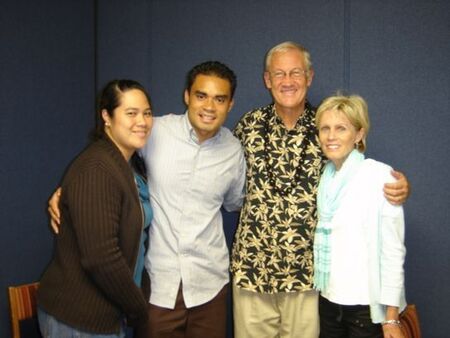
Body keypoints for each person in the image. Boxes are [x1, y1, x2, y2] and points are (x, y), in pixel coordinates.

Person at [48, 61, 246, 338]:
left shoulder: (234, 150)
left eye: (219, 99)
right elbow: (109, 156)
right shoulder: (154, 131)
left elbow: (234, 202)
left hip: (209, 285)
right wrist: (66, 190)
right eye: (201, 95)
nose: (209, 107)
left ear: (231, 104)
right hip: (158, 285)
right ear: (187, 96)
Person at [230, 41, 410, 338]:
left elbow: (360, 179)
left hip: (308, 279)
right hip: (252, 271)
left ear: (309, 77)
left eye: (296, 72)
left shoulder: (324, 126)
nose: (287, 81)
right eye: (279, 74)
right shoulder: (248, 126)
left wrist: (400, 186)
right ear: (267, 80)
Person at [37, 79, 153, 338]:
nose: (142, 121)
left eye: (147, 113)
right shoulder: (97, 168)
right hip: (79, 319)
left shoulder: (128, 165)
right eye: (131, 113)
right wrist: (137, 307)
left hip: (109, 313)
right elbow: (101, 258)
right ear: (106, 116)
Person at [314, 94, 406, 338]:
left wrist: (392, 318)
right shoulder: (325, 178)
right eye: (325, 128)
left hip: (366, 310)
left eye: (341, 128)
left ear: (358, 134)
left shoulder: (380, 177)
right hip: (328, 302)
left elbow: (393, 252)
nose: (331, 136)